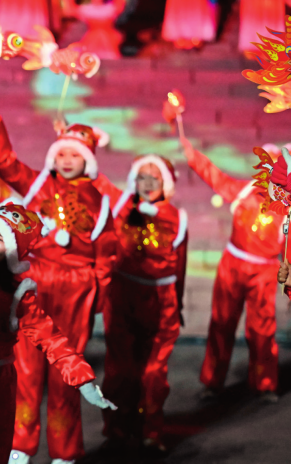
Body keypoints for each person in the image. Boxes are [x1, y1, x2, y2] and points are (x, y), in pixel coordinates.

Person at [0, 91, 115, 464]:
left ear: (88, 160)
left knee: (65, 372)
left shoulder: (101, 200)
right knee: (25, 369)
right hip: (35, 280)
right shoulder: (37, 184)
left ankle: (65, 451)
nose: (67, 160)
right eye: (62, 153)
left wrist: (98, 297)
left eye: (76, 155)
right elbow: (5, 163)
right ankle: (21, 446)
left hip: (76, 288)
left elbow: (107, 254)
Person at [0, 203, 114, 464]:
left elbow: (50, 337)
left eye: (0, 239)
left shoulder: (18, 295)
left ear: (13, 252)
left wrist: (82, 378)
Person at [94, 155, 188, 454]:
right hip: (123, 297)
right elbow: (96, 180)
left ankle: (151, 430)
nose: (147, 185)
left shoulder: (177, 217)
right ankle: (118, 427)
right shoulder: (122, 205)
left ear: (166, 184)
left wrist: (179, 304)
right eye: (142, 178)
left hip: (160, 302)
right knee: (120, 368)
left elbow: (180, 266)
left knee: (153, 371)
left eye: (154, 179)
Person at [181, 138, 283, 403]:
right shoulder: (242, 191)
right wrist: (192, 156)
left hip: (265, 271)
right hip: (233, 266)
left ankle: (265, 383)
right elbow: (214, 176)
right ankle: (213, 382)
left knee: (262, 328)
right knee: (221, 323)